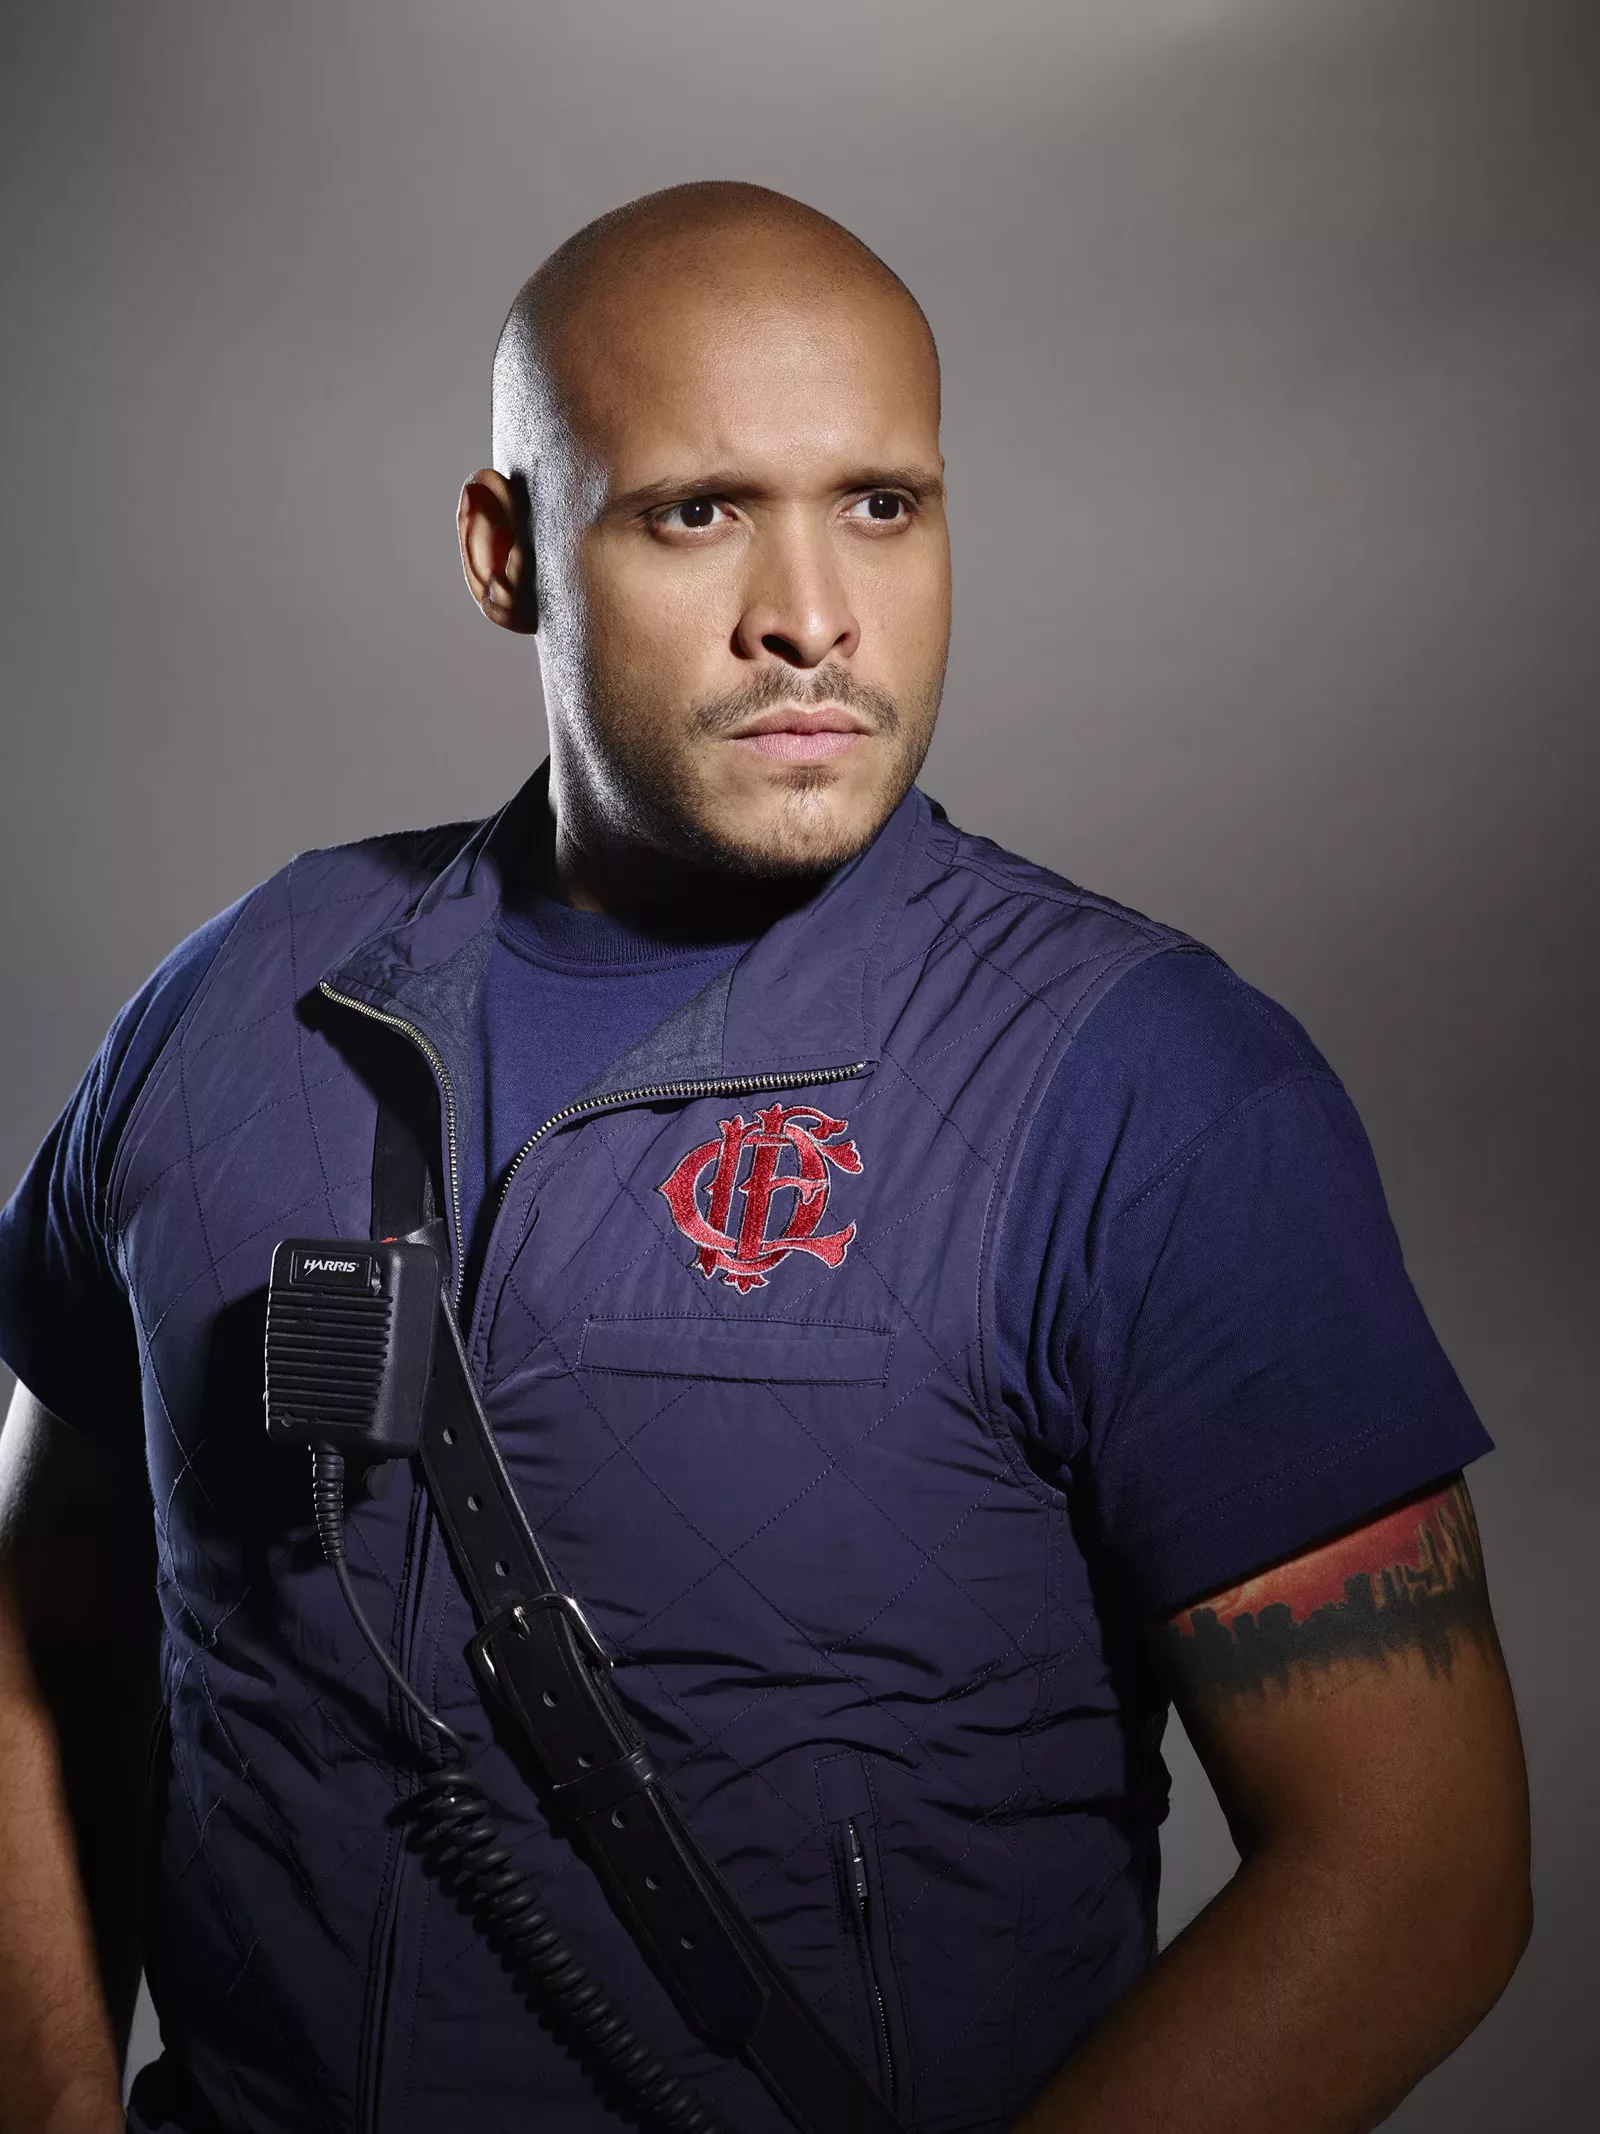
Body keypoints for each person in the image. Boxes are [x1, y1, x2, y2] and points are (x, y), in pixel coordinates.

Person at [0, 182, 1529, 2134]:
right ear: (504, 553)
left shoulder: (1152, 1090)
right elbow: (38, 1620)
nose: (811, 614)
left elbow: (1414, 1876)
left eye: (880, 503)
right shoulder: (238, 1005)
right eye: (696, 510)